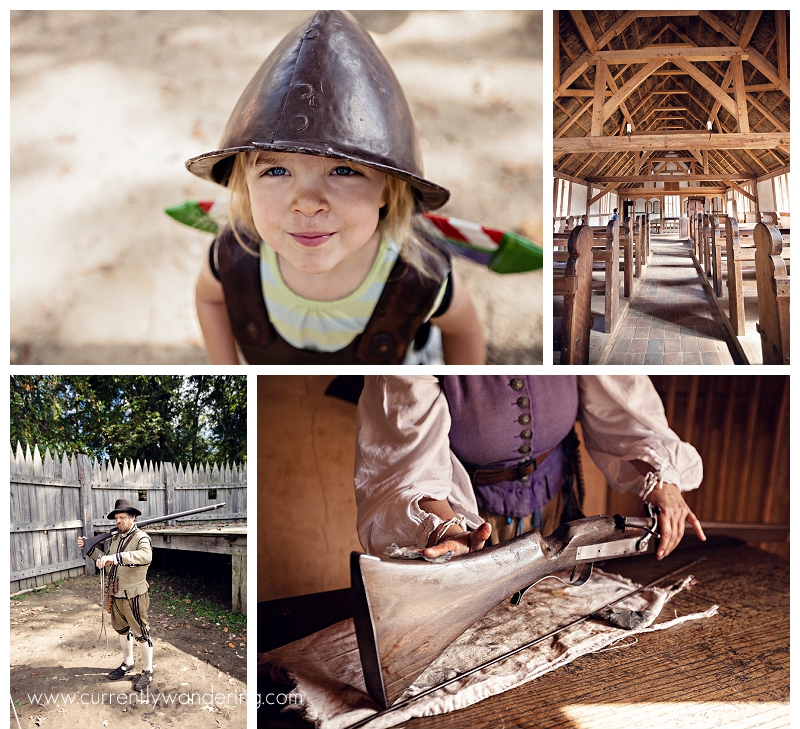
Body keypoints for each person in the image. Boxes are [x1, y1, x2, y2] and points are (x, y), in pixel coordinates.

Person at [189, 10, 485, 365]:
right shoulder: (232, 255)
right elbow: (209, 297)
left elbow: (464, 330)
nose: (308, 204)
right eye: (277, 171)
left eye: (344, 170)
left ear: (388, 190)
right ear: (245, 185)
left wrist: (457, 396)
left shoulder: (418, 276)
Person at [354, 375, 706, 561]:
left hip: (555, 494)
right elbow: (409, 466)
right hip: (471, 515)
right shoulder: (417, 349)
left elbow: (622, 403)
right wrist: (444, 530)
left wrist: (662, 480)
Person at [78, 498, 154, 692]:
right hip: (116, 593)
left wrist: (116, 557)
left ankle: (147, 670)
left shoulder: (141, 537)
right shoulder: (115, 539)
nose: (118, 521)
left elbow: (145, 556)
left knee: (141, 634)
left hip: (134, 595)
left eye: (122, 517)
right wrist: (89, 549)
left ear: (133, 517)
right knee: (122, 631)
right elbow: (105, 559)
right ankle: (128, 663)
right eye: (116, 518)